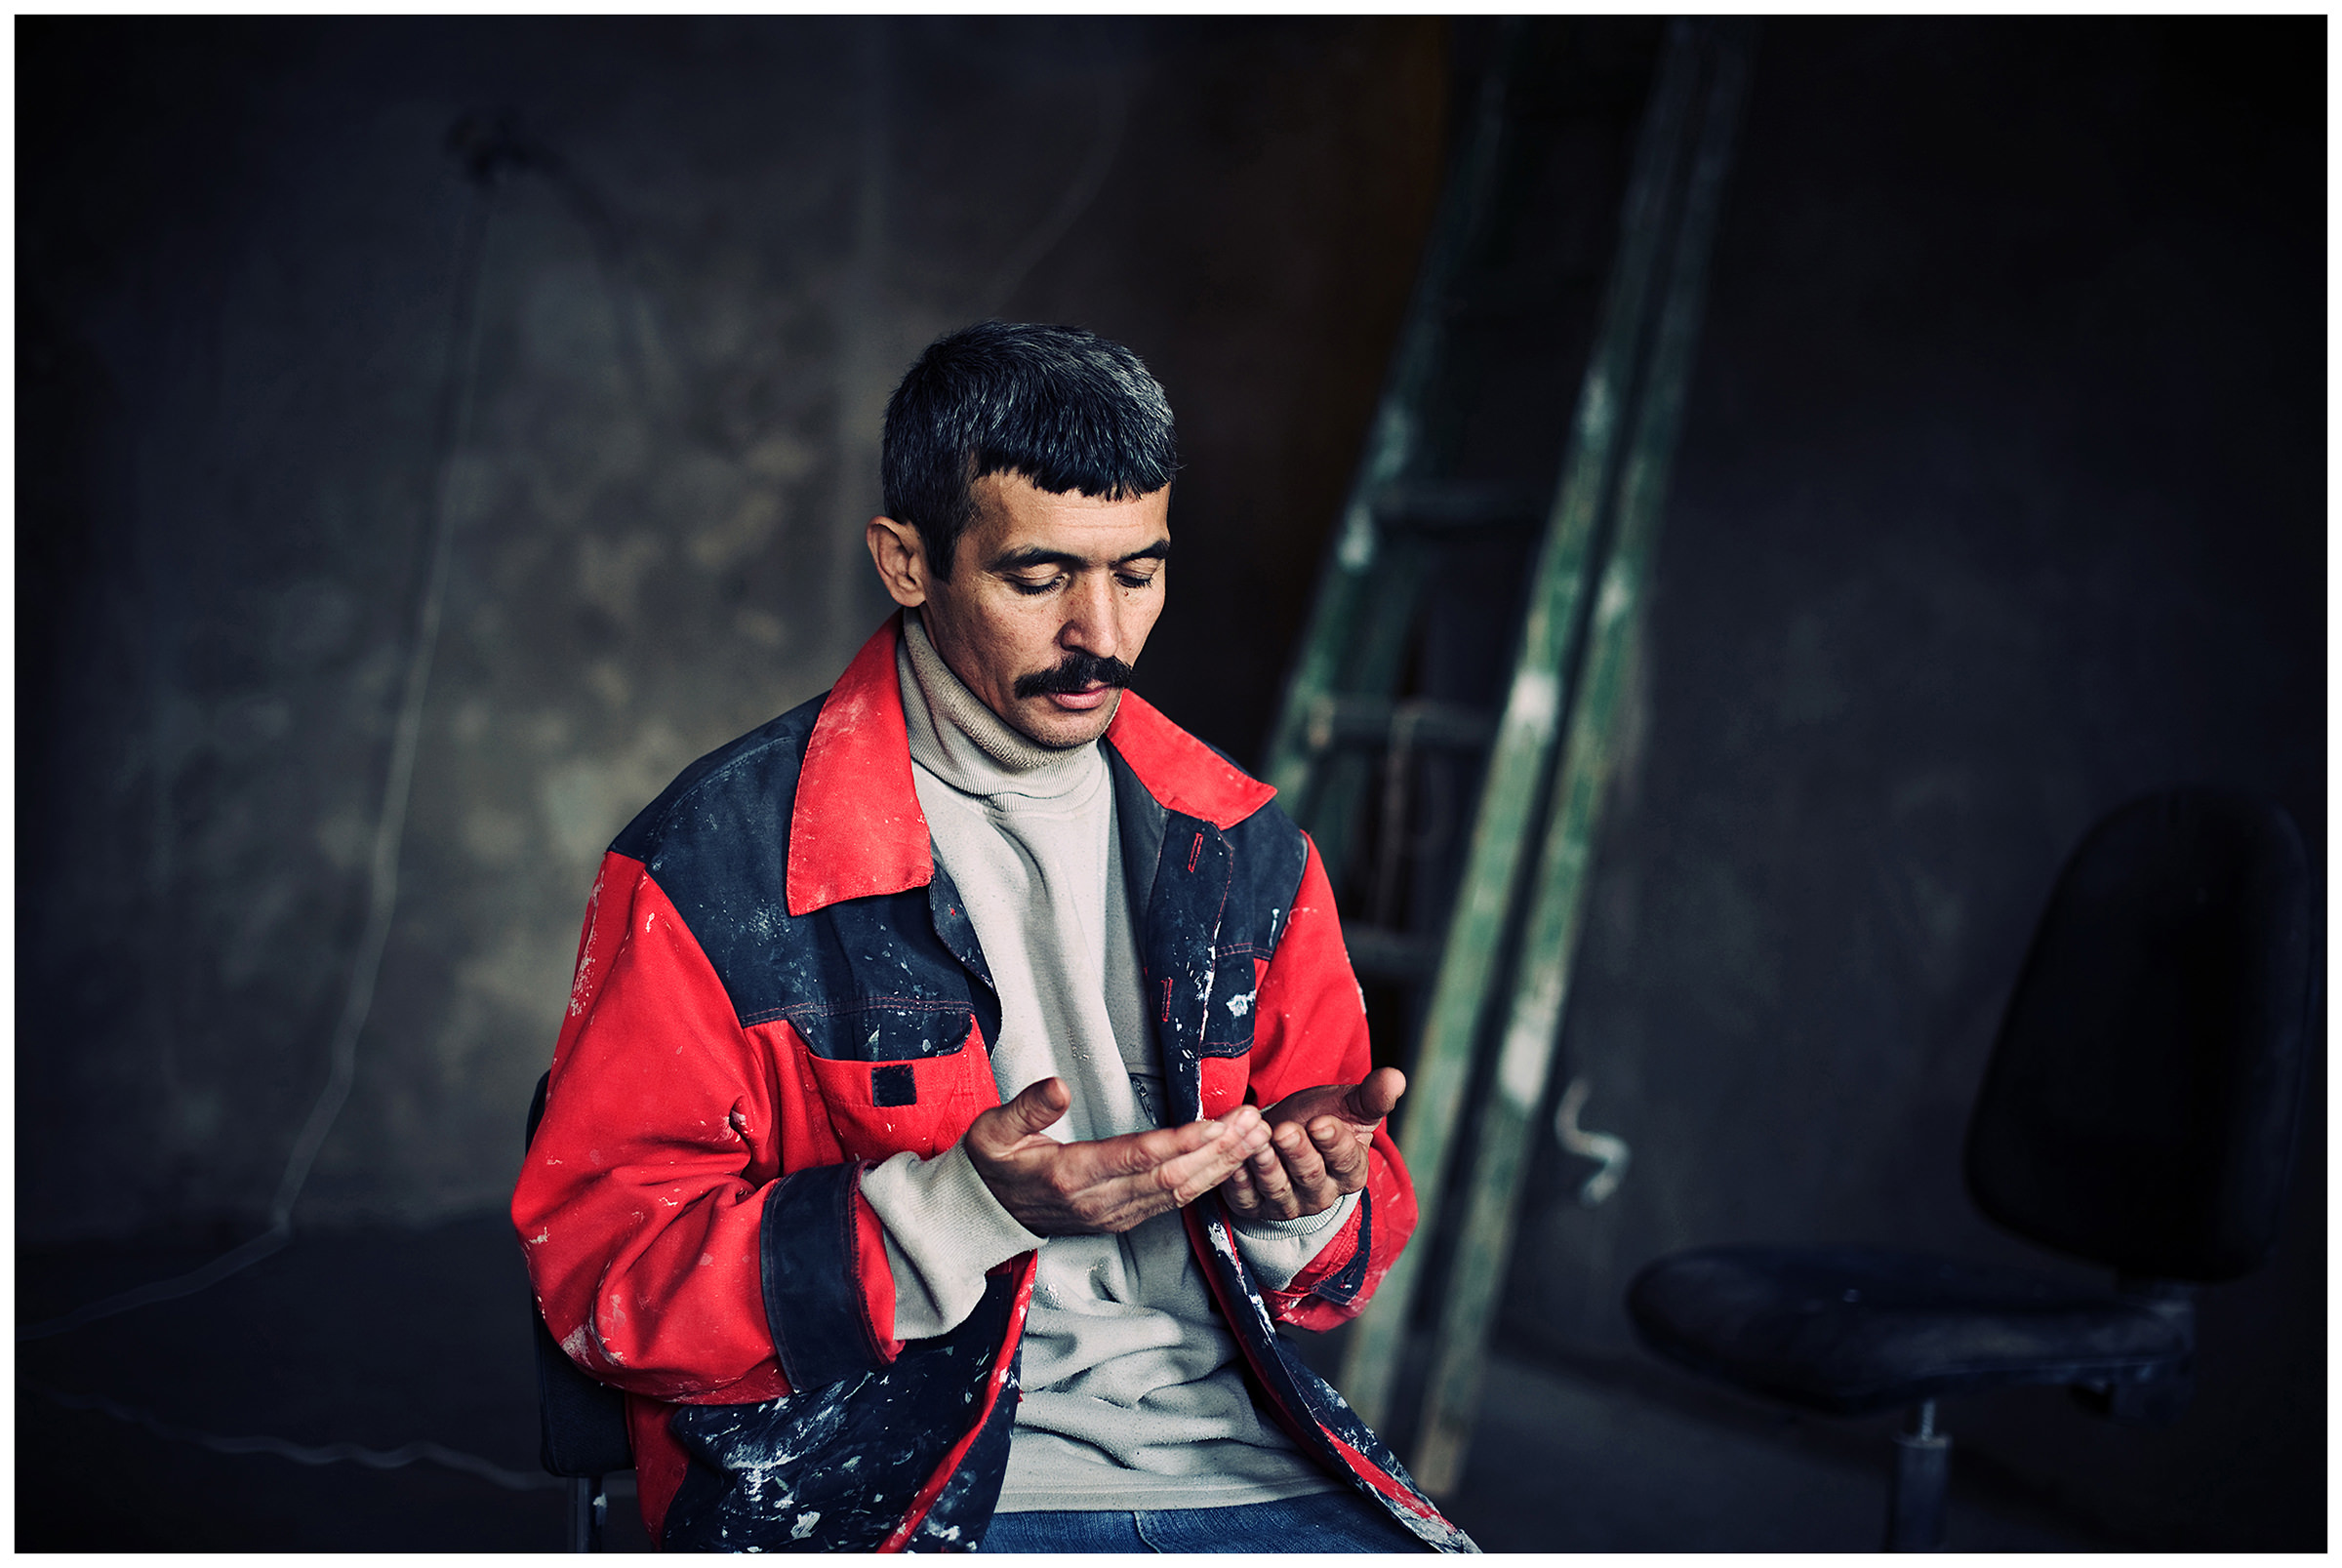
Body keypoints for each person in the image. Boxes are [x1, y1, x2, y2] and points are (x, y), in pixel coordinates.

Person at [512, 322, 1474, 1553]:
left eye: (1139, 572)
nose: (1101, 634)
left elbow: (1348, 1247)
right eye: (1039, 577)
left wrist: (1301, 1201)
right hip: (885, 1489)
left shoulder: (1246, 849)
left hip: (1233, 1457)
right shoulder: (714, 864)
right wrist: (956, 1208)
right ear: (907, 562)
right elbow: (605, 1275)